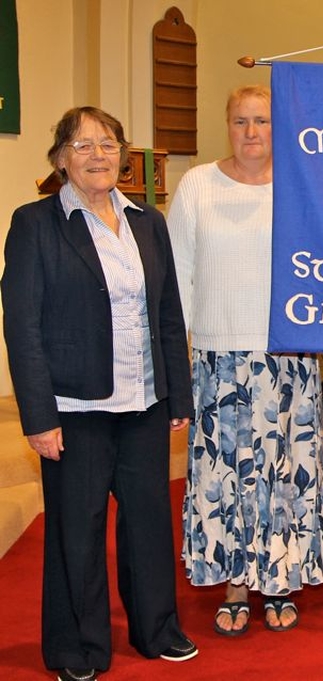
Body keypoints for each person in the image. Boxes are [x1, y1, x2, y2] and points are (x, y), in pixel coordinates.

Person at [1, 106, 198, 681]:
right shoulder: (35, 224)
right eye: (83, 145)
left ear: (124, 154)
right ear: (61, 158)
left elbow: (167, 313)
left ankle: (156, 628)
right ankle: (77, 648)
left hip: (143, 400)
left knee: (147, 523)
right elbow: (23, 326)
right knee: (76, 531)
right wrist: (38, 415)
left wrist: (177, 395)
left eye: (108, 143)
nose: (98, 155)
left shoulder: (147, 222)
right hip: (76, 407)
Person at [167, 84, 323, 636]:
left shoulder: (300, 186)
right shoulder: (196, 186)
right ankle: (237, 582)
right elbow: (178, 275)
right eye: (241, 121)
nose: (252, 132)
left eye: (262, 120)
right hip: (218, 358)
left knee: (282, 471)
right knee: (228, 474)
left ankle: (280, 579)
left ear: (276, 126)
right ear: (227, 124)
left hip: (285, 355)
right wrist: (179, 354)